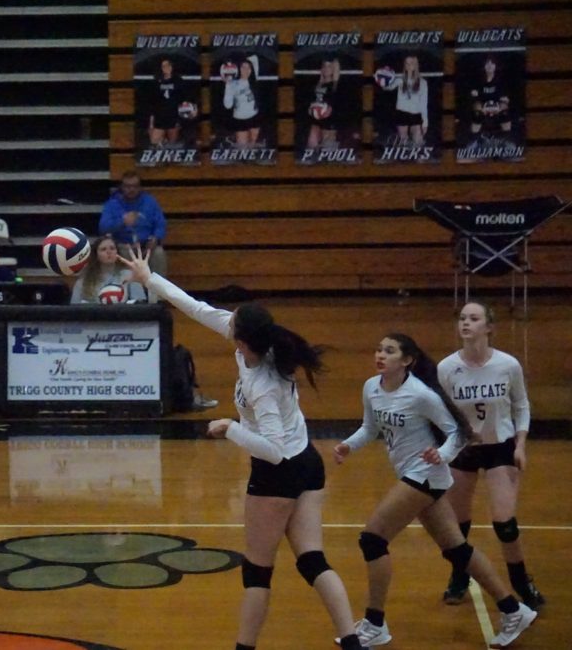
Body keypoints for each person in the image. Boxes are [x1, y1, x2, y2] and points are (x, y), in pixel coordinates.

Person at [119, 245, 367, 650]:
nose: (226, 319)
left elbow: (274, 451)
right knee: (311, 560)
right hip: (308, 463)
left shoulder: (262, 385)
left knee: (256, 572)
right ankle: (353, 642)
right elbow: (197, 309)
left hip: (279, 471)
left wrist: (230, 428)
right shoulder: (257, 345)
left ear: (241, 340)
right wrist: (150, 279)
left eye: (232, 320)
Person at [333, 332, 537, 648]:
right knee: (457, 549)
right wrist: (349, 445)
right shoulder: (371, 387)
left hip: (425, 475)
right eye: (379, 349)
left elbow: (458, 432)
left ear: (407, 360)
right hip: (411, 473)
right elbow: (370, 427)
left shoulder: (420, 394)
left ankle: (375, 623)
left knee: (372, 539)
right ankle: (513, 609)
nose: (380, 355)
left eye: (389, 351)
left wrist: (441, 454)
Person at [437, 301, 545, 610]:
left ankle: (522, 582)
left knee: (504, 522)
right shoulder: (447, 368)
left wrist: (520, 445)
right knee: (458, 522)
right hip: (464, 448)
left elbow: (521, 405)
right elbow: (439, 411)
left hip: (500, 447)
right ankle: (459, 576)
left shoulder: (507, 364)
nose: (465, 323)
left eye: (474, 318)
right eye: (462, 318)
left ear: (489, 327)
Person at [99, 170, 168, 290]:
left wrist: (156, 238)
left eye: (135, 186)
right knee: (124, 253)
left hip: (146, 246)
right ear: (122, 187)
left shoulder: (150, 202)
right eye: (127, 186)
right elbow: (103, 227)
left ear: (140, 187)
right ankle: (132, 293)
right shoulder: (112, 204)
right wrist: (122, 222)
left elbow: (161, 224)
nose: (131, 190)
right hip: (123, 245)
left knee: (159, 253)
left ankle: (159, 293)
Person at [70, 236, 145, 304]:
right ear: (96, 254)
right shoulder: (83, 281)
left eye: (112, 248)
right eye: (103, 249)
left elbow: (139, 303)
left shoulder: (131, 276)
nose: (109, 252)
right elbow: (75, 308)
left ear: (117, 252)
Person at [381, 54, 428, 146]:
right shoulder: (399, 80)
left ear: (416, 65)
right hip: (402, 113)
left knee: (418, 141)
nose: (409, 66)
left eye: (411, 63)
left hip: (416, 114)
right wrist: (384, 75)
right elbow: (387, 87)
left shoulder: (423, 82)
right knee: (403, 142)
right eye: (407, 63)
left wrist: (425, 123)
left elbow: (424, 104)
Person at [468, 55, 512, 146]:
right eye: (487, 63)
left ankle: (507, 140)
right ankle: (474, 140)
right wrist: (481, 107)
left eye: (492, 63)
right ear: (484, 66)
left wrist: (499, 107)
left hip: (497, 107)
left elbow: (505, 99)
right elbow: (474, 97)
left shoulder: (501, 80)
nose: (489, 65)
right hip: (483, 107)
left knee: (505, 112)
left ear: (495, 66)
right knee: (476, 113)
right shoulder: (478, 80)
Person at [148, 58, 189, 147]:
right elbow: (153, 101)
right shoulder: (157, 82)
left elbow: (184, 99)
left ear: (171, 67)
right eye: (163, 66)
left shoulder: (178, 81)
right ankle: (162, 140)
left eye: (167, 66)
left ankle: (168, 141)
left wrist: (181, 118)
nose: (165, 68)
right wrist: (151, 122)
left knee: (172, 144)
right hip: (160, 117)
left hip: (173, 116)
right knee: (154, 142)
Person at [223, 58, 262, 148]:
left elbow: (254, 58)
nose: (246, 70)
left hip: (254, 117)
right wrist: (228, 85)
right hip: (240, 119)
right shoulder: (233, 84)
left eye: (248, 68)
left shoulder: (253, 81)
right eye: (243, 67)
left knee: (253, 145)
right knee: (242, 148)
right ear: (238, 69)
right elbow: (227, 105)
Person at [307, 57, 343, 149]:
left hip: (329, 122)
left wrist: (329, 110)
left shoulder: (336, 86)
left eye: (329, 66)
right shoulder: (317, 85)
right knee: (312, 146)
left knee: (328, 149)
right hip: (316, 120)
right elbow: (311, 102)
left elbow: (339, 104)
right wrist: (310, 108)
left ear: (333, 69)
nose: (326, 69)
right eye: (324, 66)